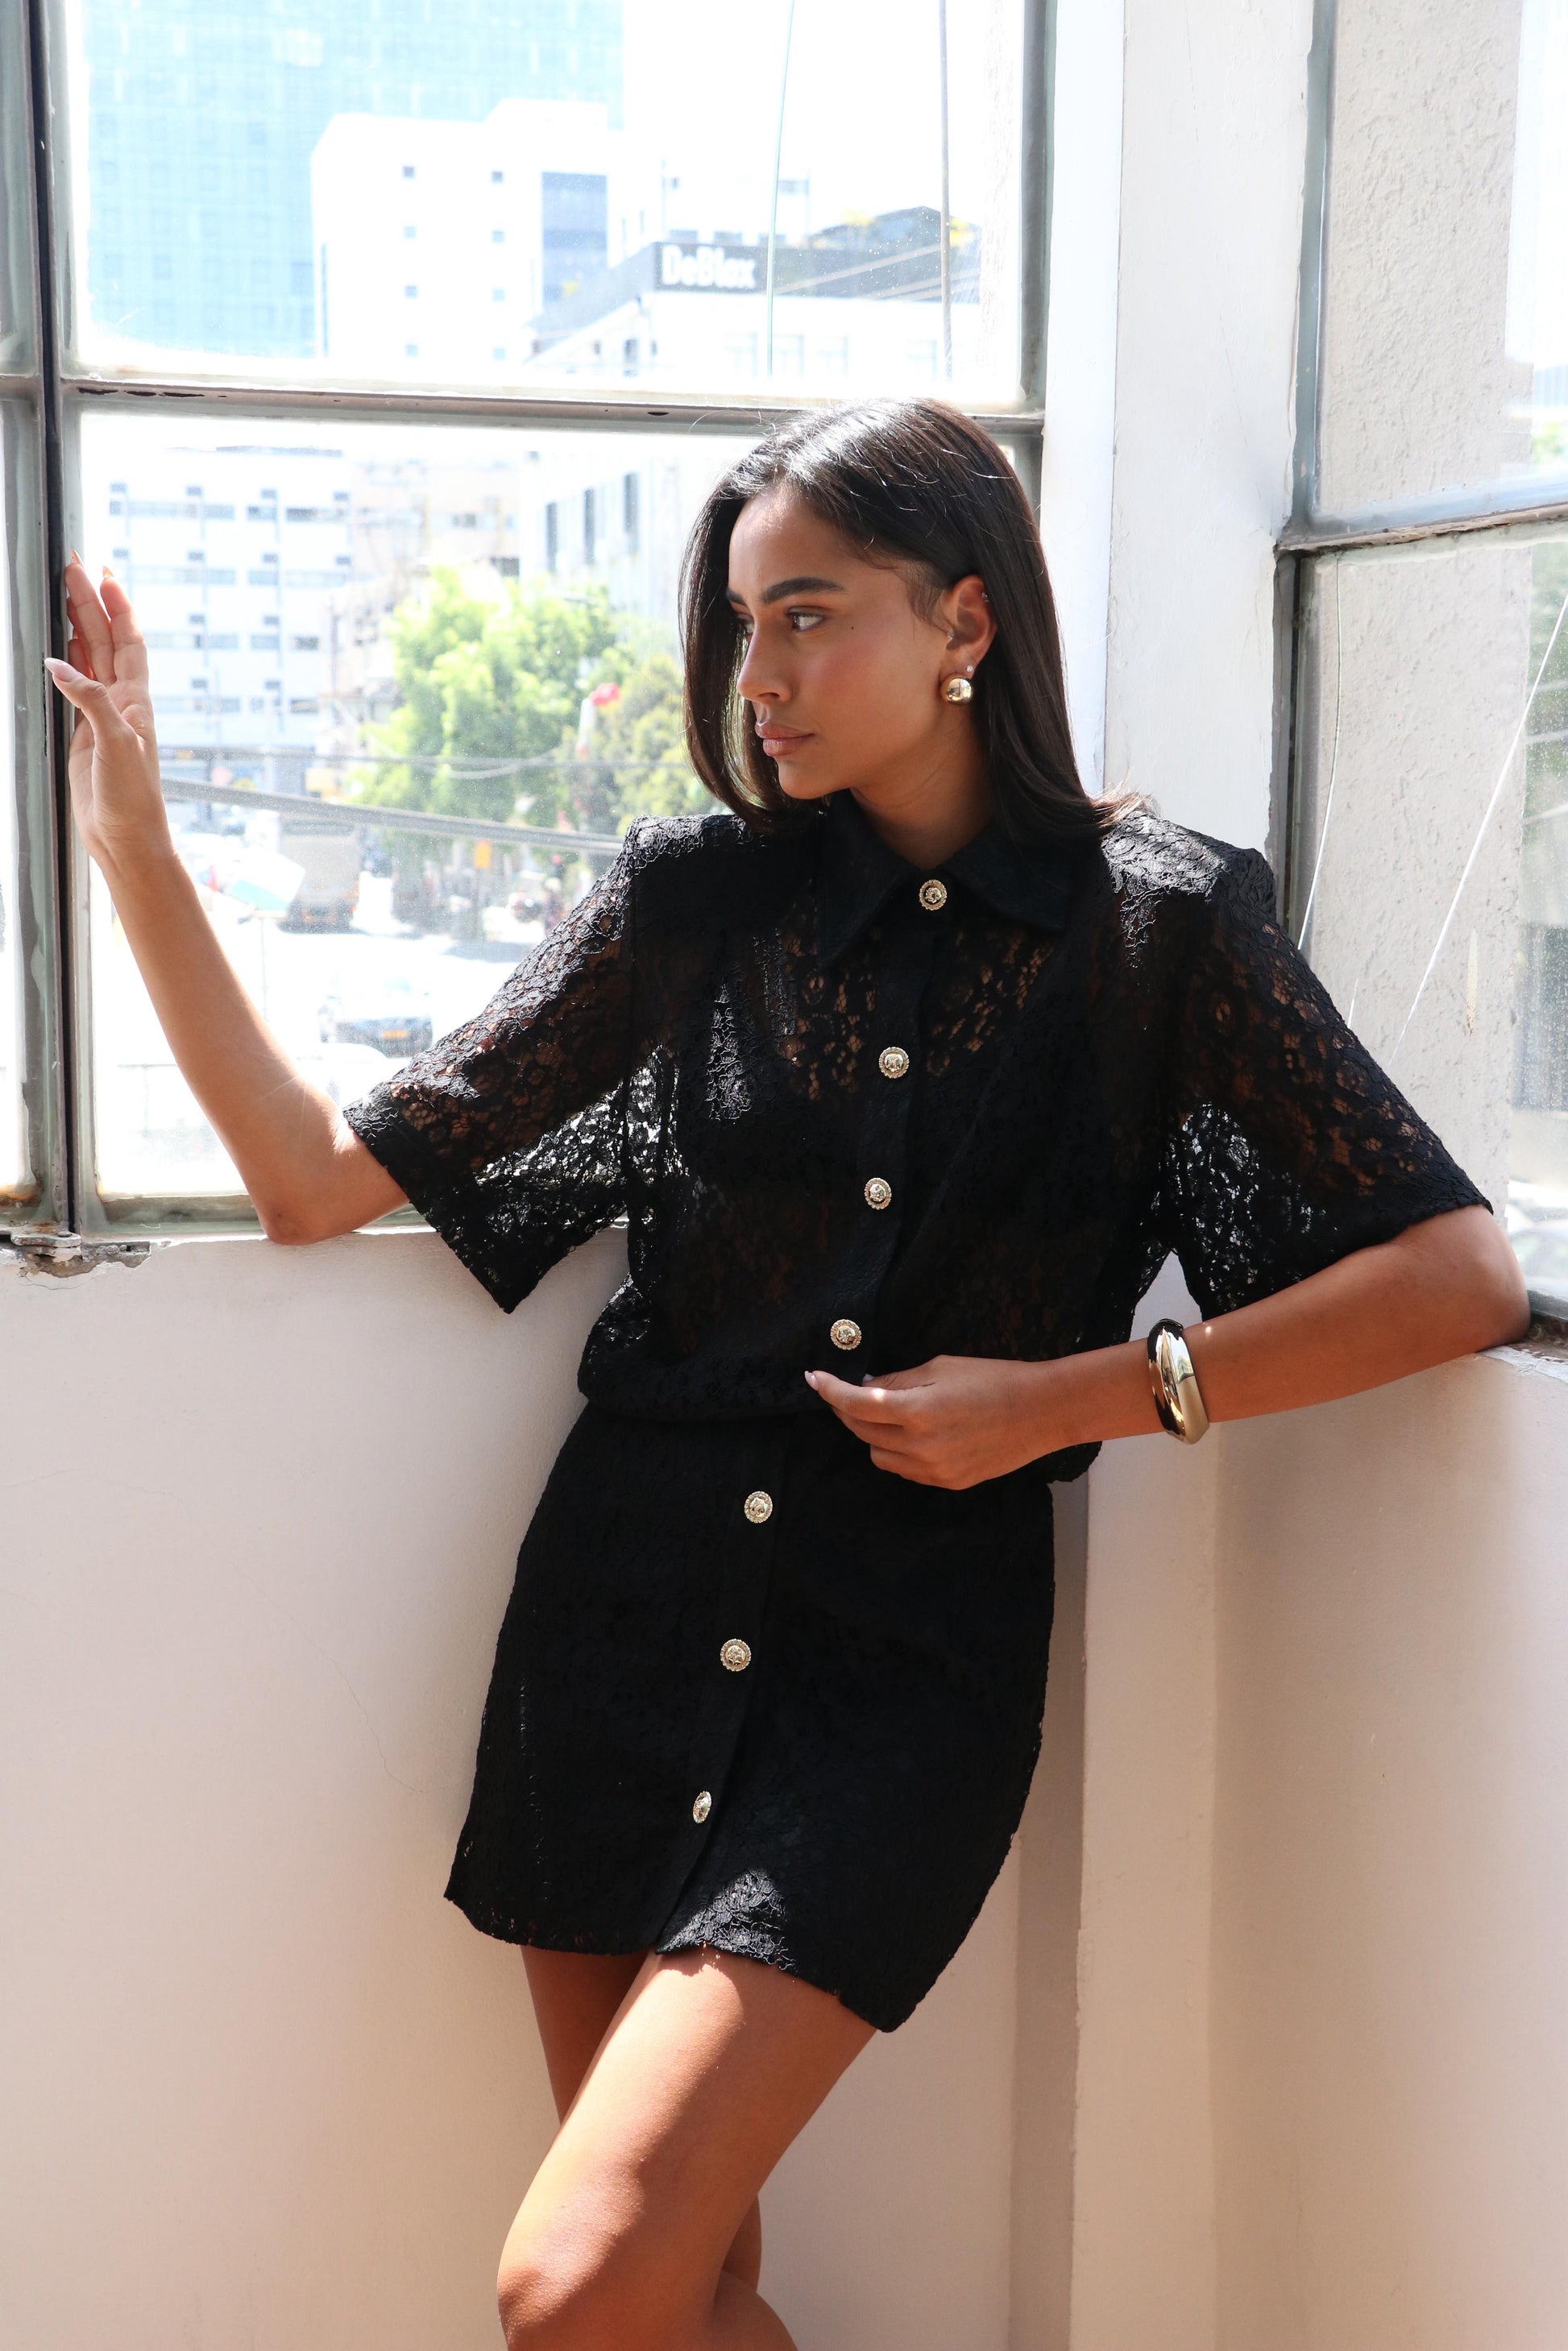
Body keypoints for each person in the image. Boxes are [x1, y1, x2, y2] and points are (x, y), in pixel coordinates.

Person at [47, 397, 1529, 2351]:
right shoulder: (694, 904)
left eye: (809, 614)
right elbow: (316, 1180)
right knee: (677, 2291)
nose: (761, 674)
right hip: (617, 1637)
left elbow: (1454, 1274)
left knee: (573, 2285)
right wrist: (134, 842)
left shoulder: (1156, 925)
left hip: (897, 1680)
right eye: (745, 623)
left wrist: (1075, 1396)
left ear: (964, 619)